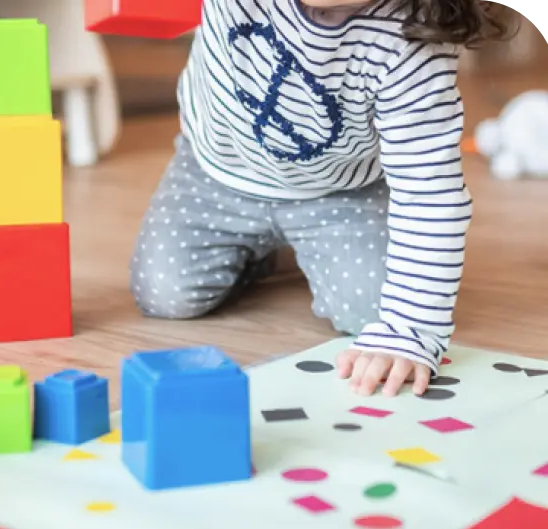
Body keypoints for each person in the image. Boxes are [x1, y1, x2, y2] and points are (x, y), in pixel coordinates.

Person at [129, 0, 515, 396]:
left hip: (341, 191)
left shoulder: (412, 41)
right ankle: (265, 254)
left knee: (371, 310)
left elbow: (429, 193)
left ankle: (300, 246)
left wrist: (410, 330)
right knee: (165, 291)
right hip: (218, 170)